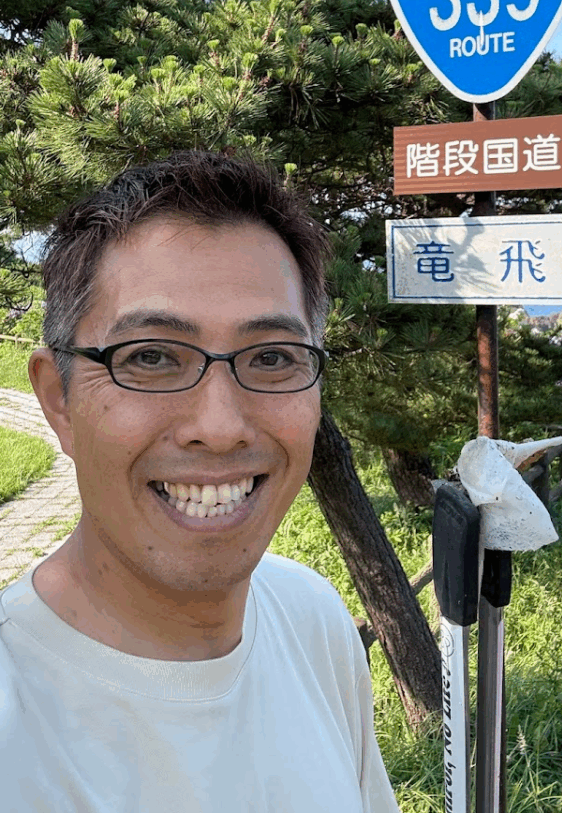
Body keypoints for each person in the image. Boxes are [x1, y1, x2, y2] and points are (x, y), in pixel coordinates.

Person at [0, 149, 401, 812]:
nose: (219, 427)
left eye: (272, 357)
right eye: (151, 356)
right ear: (59, 401)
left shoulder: (311, 618)